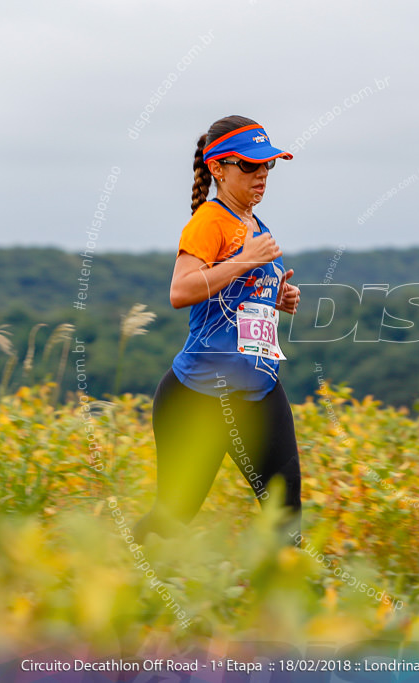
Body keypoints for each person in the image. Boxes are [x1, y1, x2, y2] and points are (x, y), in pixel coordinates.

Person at [133, 115, 303, 544]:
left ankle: (277, 607)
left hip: (260, 390)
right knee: (174, 517)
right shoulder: (210, 221)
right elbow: (181, 290)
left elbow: (233, 298)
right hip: (200, 395)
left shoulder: (255, 224)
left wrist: (276, 298)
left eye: (269, 165)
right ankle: (113, 573)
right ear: (217, 169)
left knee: (286, 519)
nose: (262, 174)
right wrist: (247, 261)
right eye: (250, 166)